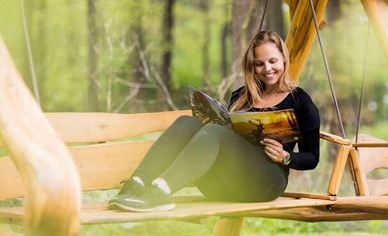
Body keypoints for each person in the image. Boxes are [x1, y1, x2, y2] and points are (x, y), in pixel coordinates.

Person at [109, 30, 320, 212]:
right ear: (251, 66)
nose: (267, 69)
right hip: (223, 182)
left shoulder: (300, 101)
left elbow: (312, 158)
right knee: (186, 122)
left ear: (284, 58)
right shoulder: (241, 97)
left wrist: (285, 157)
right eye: (259, 64)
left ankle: (160, 191)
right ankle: (136, 185)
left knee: (215, 132)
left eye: (272, 61)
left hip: (266, 182)